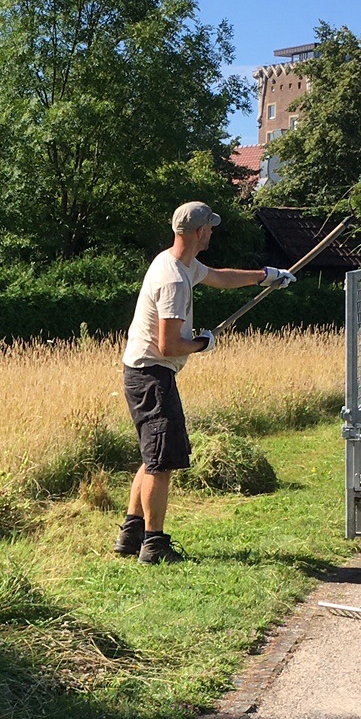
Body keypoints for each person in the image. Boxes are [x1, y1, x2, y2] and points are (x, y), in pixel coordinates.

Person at [116, 201, 294, 563]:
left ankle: (131, 533)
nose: (212, 232)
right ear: (198, 232)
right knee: (160, 462)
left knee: (153, 456)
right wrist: (202, 343)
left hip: (146, 373)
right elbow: (168, 345)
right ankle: (154, 544)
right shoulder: (172, 280)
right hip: (152, 375)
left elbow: (218, 277)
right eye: (209, 227)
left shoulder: (178, 263)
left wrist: (265, 275)